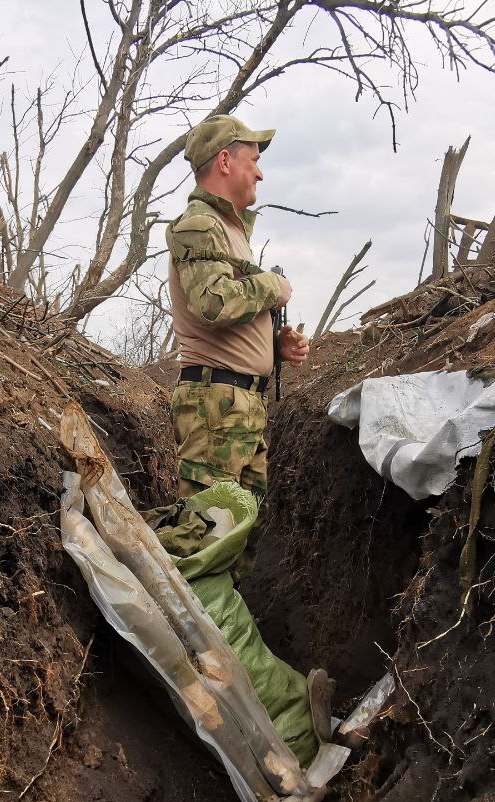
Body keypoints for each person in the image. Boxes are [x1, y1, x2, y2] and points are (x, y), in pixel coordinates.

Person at [165, 115, 310, 561]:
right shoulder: (200, 224)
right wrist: (274, 287)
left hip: (240, 405)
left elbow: (228, 311)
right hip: (216, 405)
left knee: (236, 544)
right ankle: (181, 626)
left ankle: (220, 627)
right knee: (204, 538)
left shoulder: (230, 230)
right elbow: (213, 303)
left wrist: (273, 347)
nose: (260, 172)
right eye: (254, 159)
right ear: (224, 160)